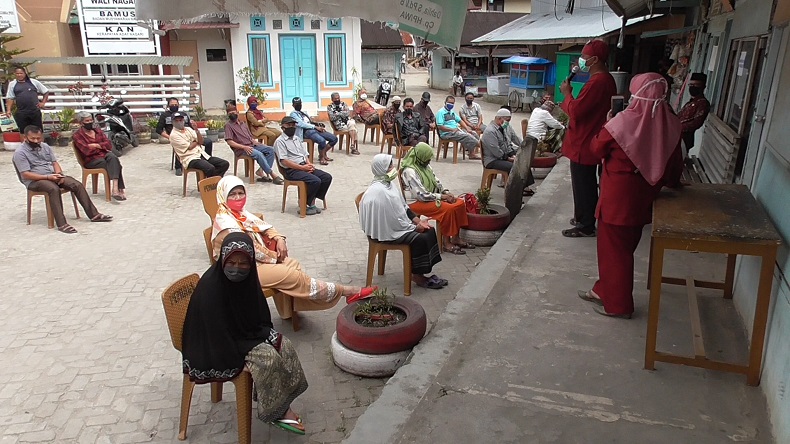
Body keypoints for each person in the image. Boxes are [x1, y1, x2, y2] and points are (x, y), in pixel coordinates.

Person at [578, 73, 683, 319]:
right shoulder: (670, 123)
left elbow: (595, 149)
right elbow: (674, 165)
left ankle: (618, 305)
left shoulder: (622, 123)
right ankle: (603, 289)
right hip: (644, 196)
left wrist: (608, 123)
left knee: (615, 252)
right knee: (623, 247)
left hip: (617, 198)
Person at [182, 233, 309, 435]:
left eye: (243, 263)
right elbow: (216, 333)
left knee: (283, 344)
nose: (237, 268)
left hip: (241, 334)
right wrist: (249, 352)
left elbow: (257, 315)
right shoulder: (210, 288)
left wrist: (265, 335)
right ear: (222, 259)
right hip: (216, 343)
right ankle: (278, 411)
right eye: (231, 262)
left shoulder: (248, 282)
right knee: (267, 359)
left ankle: (284, 404)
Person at [211, 176, 375, 315]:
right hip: (245, 270)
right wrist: (276, 257)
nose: (238, 198)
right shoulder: (226, 224)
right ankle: (346, 291)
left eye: (241, 193)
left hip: (261, 262)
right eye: (233, 194)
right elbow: (254, 251)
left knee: (293, 264)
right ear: (223, 197)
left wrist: (279, 238)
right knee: (293, 276)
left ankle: (289, 312)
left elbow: (265, 226)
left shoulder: (240, 214)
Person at [360, 154, 447, 289]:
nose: (393, 168)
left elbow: (403, 207)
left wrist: (417, 221)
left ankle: (420, 273)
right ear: (380, 169)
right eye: (389, 166)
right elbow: (391, 221)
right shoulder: (379, 192)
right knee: (420, 238)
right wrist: (413, 228)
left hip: (395, 227)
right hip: (386, 232)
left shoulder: (389, 185)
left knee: (429, 230)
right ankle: (417, 276)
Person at [559, 39, 617, 238]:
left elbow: (576, 111)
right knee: (585, 182)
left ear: (594, 59)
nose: (580, 61)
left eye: (584, 57)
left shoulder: (598, 82)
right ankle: (582, 216)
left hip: (585, 141)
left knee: (583, 183)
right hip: (589, 138)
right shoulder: (604, 80)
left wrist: (567, 95)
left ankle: (585, 224)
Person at [12, 125, 113, 234]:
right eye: (33, 139)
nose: (36, 141)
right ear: (25, 138)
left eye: (38, 138)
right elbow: (26, 174)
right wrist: (47, 177)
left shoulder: (45, 146)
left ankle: (94, 215)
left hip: (52, 175)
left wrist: (58, 174)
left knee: (76, 184)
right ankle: (62, 224)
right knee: (53, 189)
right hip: (35, 181)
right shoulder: (20, 153)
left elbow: (54, 163)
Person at [400, 143, 473, 255]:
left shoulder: (425, 166)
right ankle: (446, 243)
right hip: (417, 202)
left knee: (459, 203)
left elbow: (436, 182)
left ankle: (456, 237)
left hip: (430, 197)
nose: (429, 162)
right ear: (421, 156)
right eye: (427, 159)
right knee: (447, 209)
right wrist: (442, 197)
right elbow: (421, 195)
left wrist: (446, 193)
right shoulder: (409, 171)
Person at [274, 116, 332, 215]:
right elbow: (284, 161)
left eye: (293, 125)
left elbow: (304, 154)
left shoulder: (296, 138)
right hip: (291, 170)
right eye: (288, 125)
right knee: (315, 180)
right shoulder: (280, 141)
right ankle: (304, 203)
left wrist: (309, 165)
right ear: (283, 127)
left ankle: (310, 202)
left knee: (326, 177)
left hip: (304, 166)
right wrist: (302, 168)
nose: (291, 127)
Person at [72, 111, 127, 201]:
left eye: (91, 120)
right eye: (87, 121)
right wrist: (101, 145)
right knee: (114, 164)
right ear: (81, 123)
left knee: (113, 158)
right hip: (91, 160)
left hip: (104, 155)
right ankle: (118, 190)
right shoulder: (78, 135)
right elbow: (86, 151)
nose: (90, 122)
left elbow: (109, 145)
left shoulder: (97, 131)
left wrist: (96, 145)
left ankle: (115, 188)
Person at [224, 105, 283, 185]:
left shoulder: (243, 123)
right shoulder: (228, 126)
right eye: (230, 113)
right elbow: (230, 142)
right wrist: (244, 147)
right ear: (227, 115)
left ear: (237, 112)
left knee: (270, 150)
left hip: (251, 145)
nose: (232, 114)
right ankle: (273, 175)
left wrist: (254, 141)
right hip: (241, 149)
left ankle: (261, 171)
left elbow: (250, 137)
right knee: (258, 154)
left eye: (233, 112)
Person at [156, 97, 213, 176]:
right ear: (168, 105)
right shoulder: (164, 115)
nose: (174, 106)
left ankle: (206, 159)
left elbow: (190, 126)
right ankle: (178, 167)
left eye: (176, 104)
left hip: (189, 135)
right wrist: (169, 137)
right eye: (172, 105)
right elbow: (159, 130)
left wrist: (196, 134)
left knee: (208, 142)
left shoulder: (184, 115)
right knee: (181, 147)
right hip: (176, 137)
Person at [170, 112, 229, 178]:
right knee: (210, 168)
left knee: (224, 164)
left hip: (201, 154)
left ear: (184, 120)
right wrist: (196, 141)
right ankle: (210, 184)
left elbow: (201, 141)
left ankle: (213, 182)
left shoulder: (188, 129)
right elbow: (190, 147)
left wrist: (196, 130)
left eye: (180, 120)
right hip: (190, 159)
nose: (179, 122)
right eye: (176, 121)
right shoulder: (173, 135)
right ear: (172, 122)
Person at [290, 97, 338, 166]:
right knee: (322, 141)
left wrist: (317, 124)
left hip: (313, 129)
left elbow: (309, 121)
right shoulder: (293, 114)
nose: (298, 105)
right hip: (305, 132)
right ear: (293, 105)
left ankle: (322, 153)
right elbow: (301, 124)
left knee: (334, 138)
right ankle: (322, 158)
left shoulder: (303, 113)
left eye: (299, 104)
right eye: (296, 104)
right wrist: (315, 127)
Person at [5, 66, 49, 133]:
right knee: (23, 131)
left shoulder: (33, 82)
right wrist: (8, 110)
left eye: (21, 73)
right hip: (21, 112)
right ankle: (24, 143)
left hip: (34, 111)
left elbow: (45, 92)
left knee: (38, 131)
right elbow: (10, 98)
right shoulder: (12, 84)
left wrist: (43, 103)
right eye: (17, 73)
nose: (19, 75)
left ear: (25, 73)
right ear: (15, 74)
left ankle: (40, 143)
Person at [481, 109, 517, 187]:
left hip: (499, 157)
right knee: (514, 167)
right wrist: (507, 158)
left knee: (521, 163)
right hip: (492, 160)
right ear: (500, 118)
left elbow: (506, 144)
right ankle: (515, 189)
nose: (507, 123)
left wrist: (512, 154)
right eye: (507, 120)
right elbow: (496, 150)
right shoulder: (490, 131)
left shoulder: (501, 129)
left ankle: (524, 187)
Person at [677, 73, 711, 156]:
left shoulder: (702, 103)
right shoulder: (691, 102)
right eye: (691, 84)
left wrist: (677, 127)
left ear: (703, 87)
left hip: (684, 139)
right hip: (676, 136)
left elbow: (696, 123)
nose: (692, 87)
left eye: (696, 85)